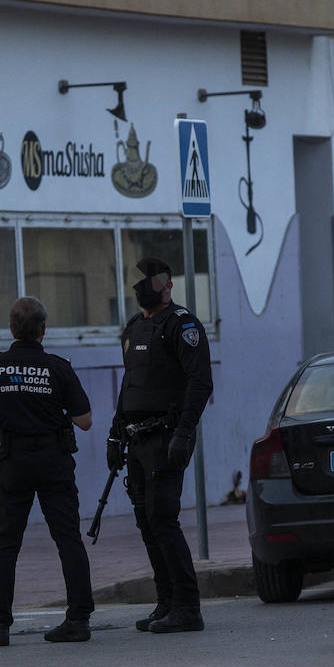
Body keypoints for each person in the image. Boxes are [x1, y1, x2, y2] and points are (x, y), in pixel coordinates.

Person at [0, 296, 96, 647]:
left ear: (11, 328)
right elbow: (85, 421)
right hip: (54, 462)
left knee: (5, 545)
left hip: (11, 463)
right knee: (68, 539)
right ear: (44, 329)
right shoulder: (58, 367)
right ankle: (78, 619)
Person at [109, 257, 214, 634]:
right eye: (141, 283)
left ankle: (187, 606)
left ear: (168, 286)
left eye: (153, 282)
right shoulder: (135, 327)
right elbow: (129, 384)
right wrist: (114, 434)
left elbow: (200, 383)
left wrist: (184, 433)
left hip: (167, 436)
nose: (145, 289)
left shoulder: (182, 325)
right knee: (146, 521)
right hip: (137, 438)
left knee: (162, 518)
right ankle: (166, 601)